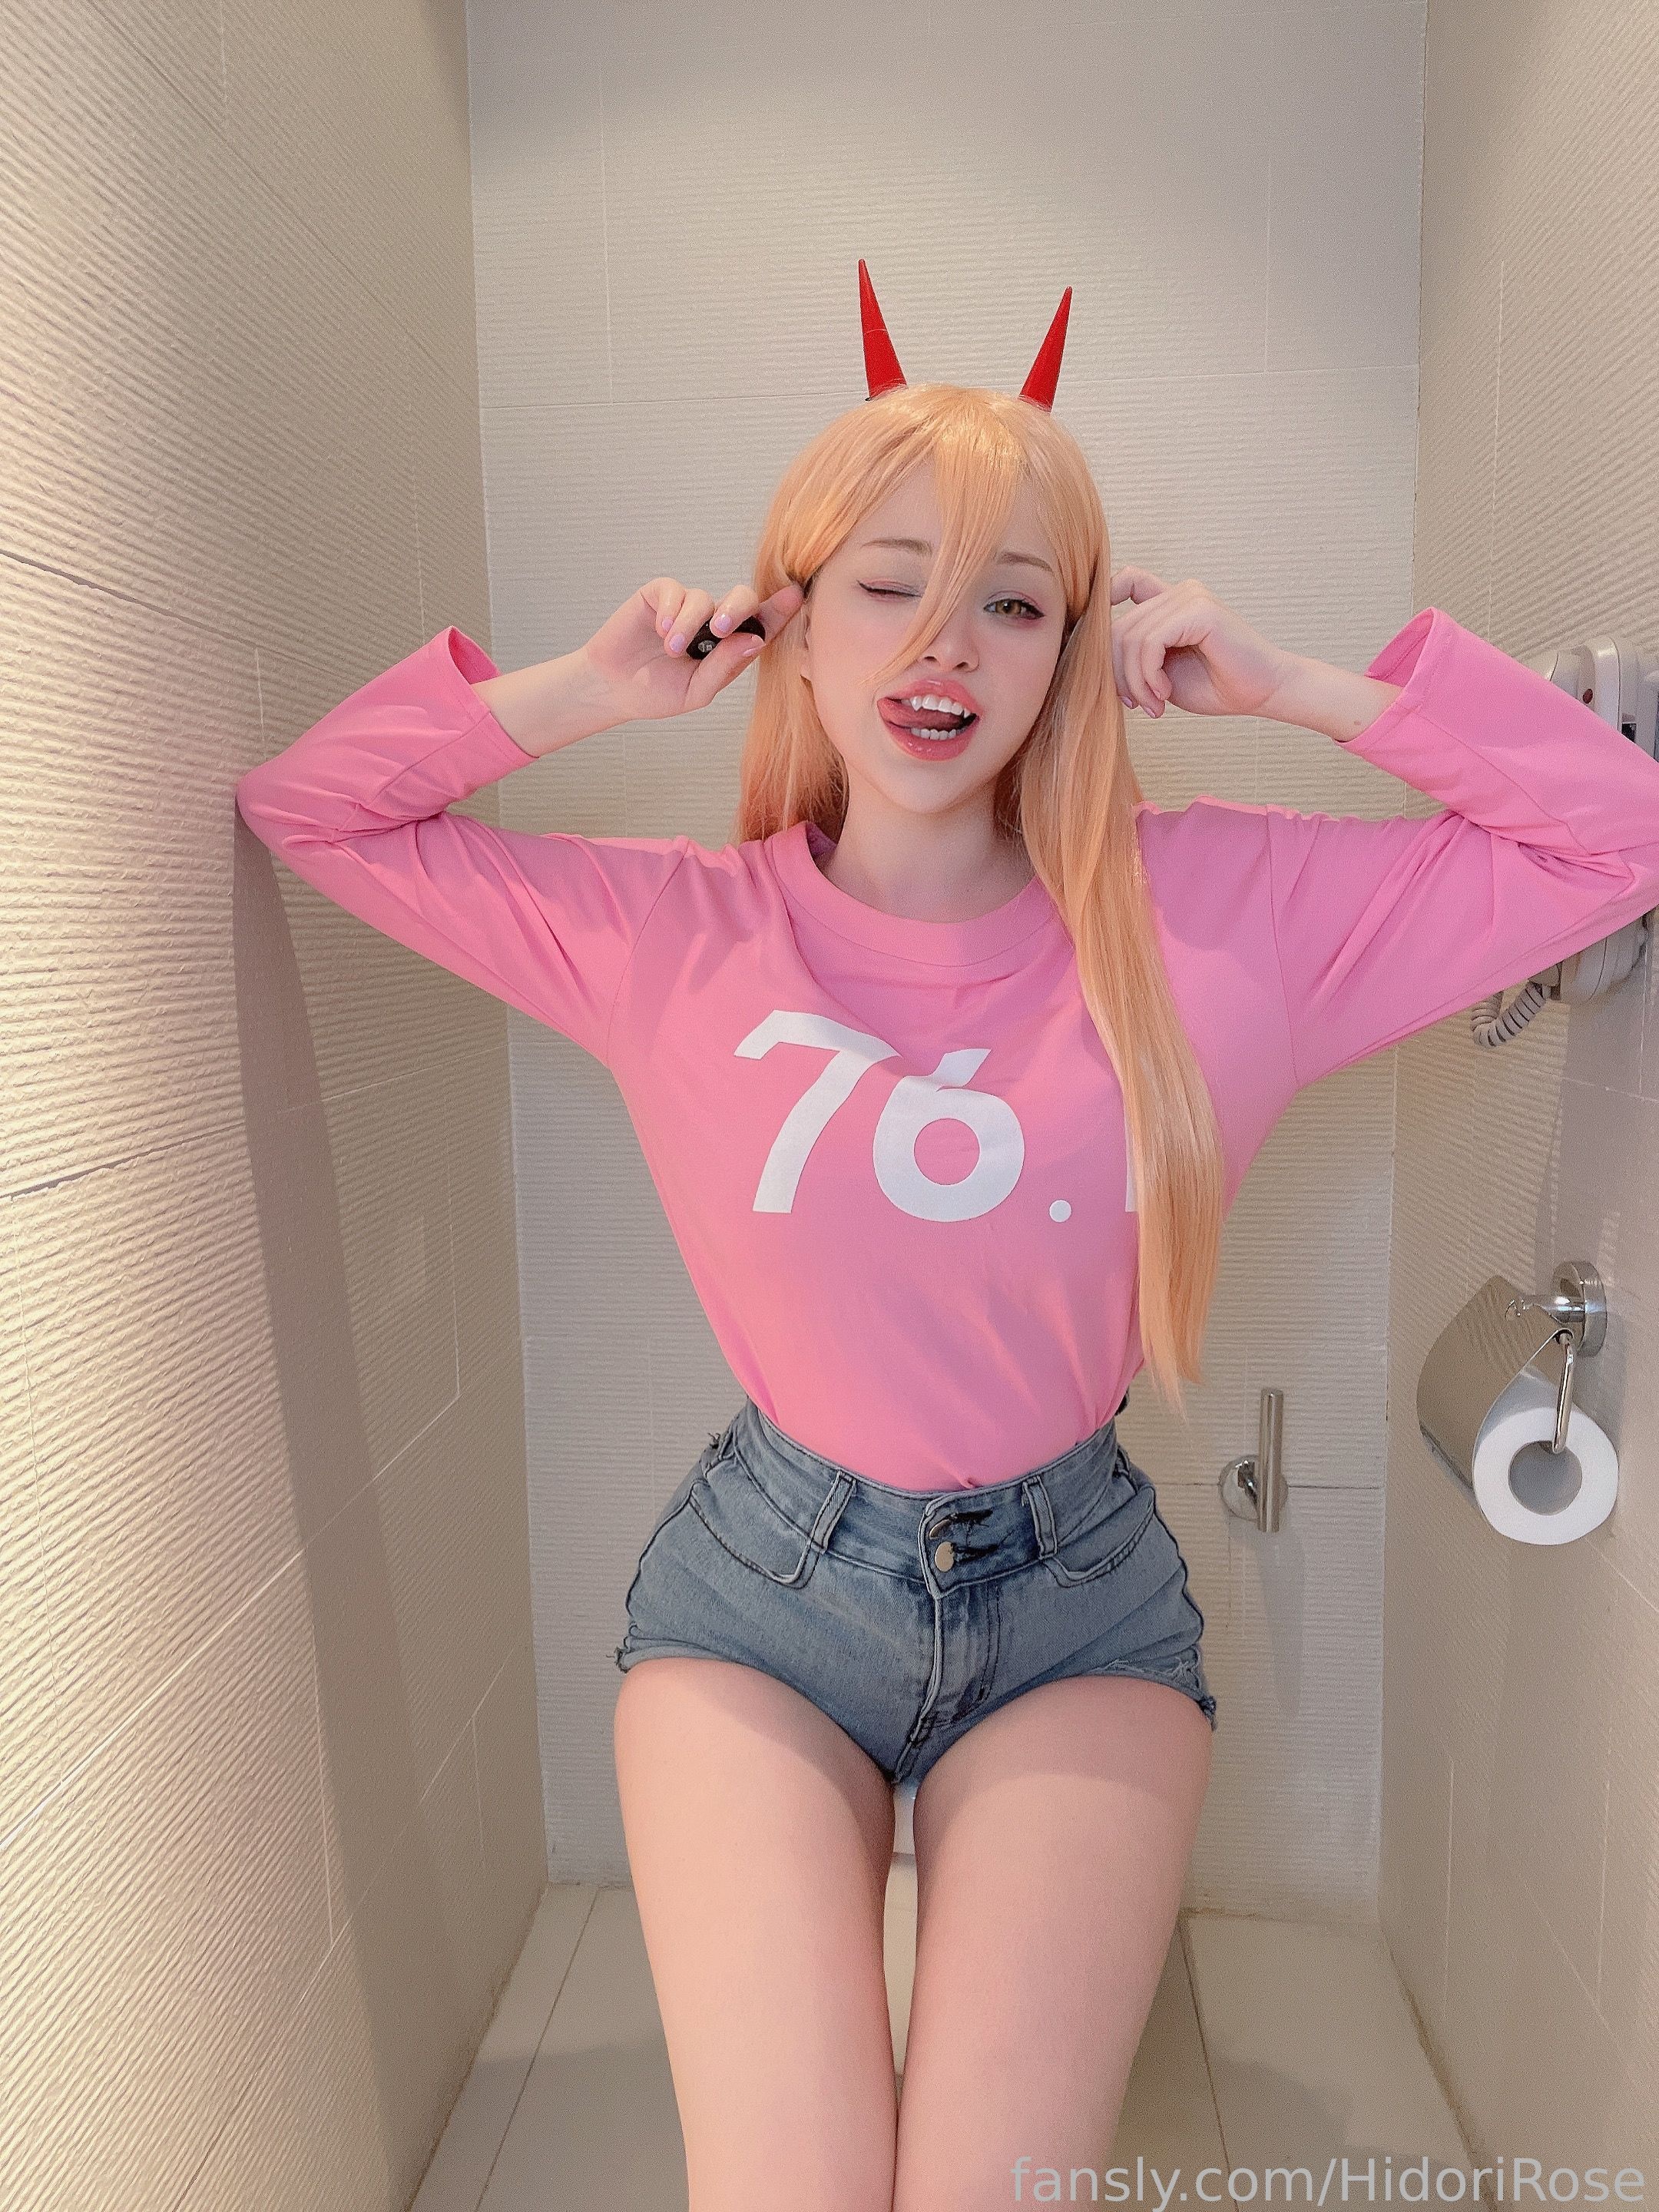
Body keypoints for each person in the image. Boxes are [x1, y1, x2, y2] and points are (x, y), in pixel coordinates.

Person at [235, 268, 1659, 2208]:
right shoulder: (674, 933)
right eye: (890, 581)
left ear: (1076, 648)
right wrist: (588, 690)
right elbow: (310, 813)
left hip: (1077, 1612)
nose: (944, 644)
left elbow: (1618, 840)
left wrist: (1298, 688)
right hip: (761, 1599)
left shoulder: (1216, 917)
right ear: (790, 619)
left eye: (1015, 601)